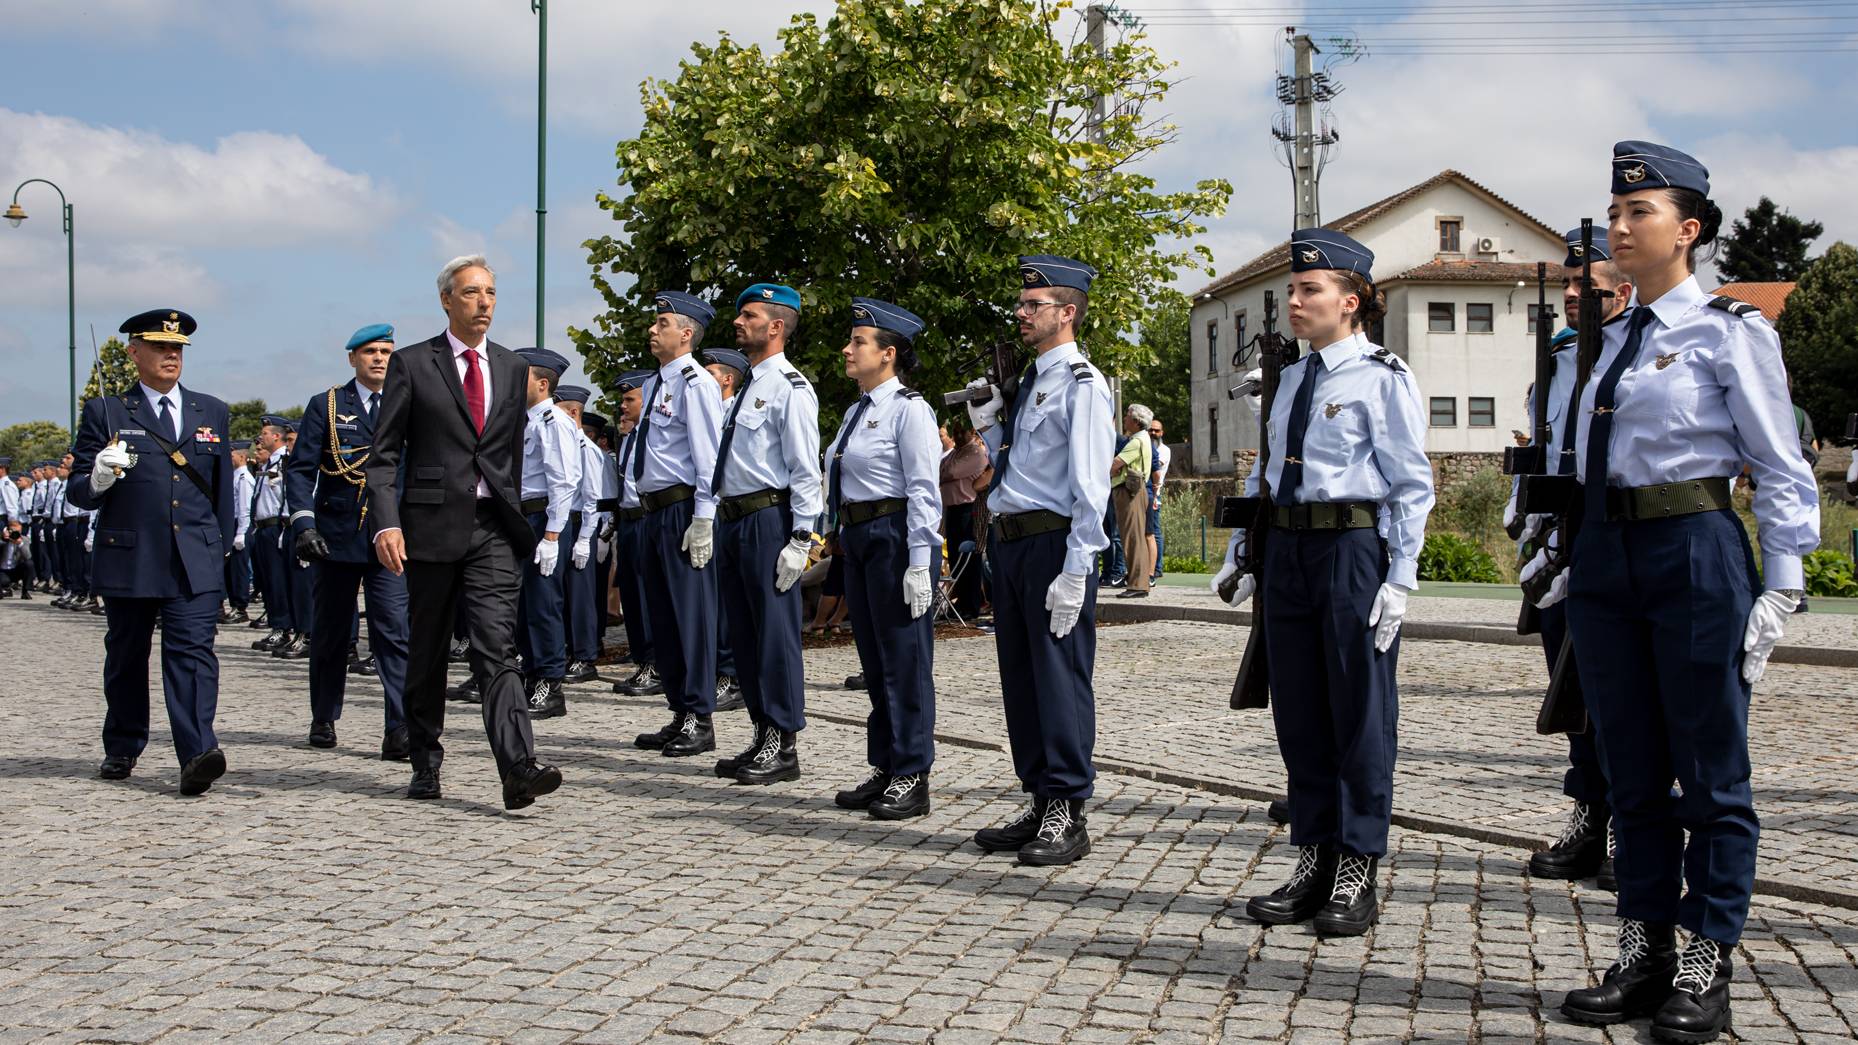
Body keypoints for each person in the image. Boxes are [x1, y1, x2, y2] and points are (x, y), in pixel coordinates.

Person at [1544, 143, 1820, 1042]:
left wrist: (1783, 581)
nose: (1620, 228)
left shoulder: (1731, 329)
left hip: (1694, 548)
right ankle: (1644, 946)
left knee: (1710, 771)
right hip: (1608, 556)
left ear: (1689, 230)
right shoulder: (1607, 339)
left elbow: (1779, 466)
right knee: (1629, 772)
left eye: (1640, 214)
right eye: (1615, 214)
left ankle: (1706, 957)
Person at [1211, 230, 1435, 936]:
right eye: (1294, 289)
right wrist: (1246, 543)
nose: (1295, 301)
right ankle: (1312, 854)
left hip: (1350, 548)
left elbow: (1411, 485)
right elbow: (1267, 470)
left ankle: (1357, 864)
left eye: (1310, 289)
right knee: (1301, 713)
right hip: (1289, 551)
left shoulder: (1381, 376)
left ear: (1352, 299)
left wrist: (1399, 576)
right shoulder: (1295, 380)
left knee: (1360, 715)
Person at [365, 254, 563, 811]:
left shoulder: (510, 367)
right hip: (427, 529)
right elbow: (383, 458)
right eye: (473, 293)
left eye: (492, 294)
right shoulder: (412, 364)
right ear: (447, 300)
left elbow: (509, 455)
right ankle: (425, 758)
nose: (484, 303)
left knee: (497, 648)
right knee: (426, 652)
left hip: (493, 530)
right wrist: (386, 522)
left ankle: (517, 766)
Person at [964, 255, 1115, 866]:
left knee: (1058, 677)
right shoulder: (1030, 382)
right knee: (1021, 679)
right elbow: (1019, 469)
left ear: (1067, 312)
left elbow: (1089, 486)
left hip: (1055, 543)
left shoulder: (1082, 382)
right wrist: (991, 429)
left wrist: (1079, 567)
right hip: (1015, 539)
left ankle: (1068, 809)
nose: (1022, 313)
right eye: (1022, 304)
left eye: (1034, 305)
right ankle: (1038, 795)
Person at [67, 309, 236, 794]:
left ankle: (198, 752)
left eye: (177, 349)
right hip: (132, 555)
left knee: (193, 654)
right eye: (161, 347)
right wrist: (98, 477)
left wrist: (219, 548)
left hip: (195, 556)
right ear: (133, 352)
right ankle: (123, 743)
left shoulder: (211, 410)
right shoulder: (108, 411)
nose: (171, 356)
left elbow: (221, 490)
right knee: (126, 654)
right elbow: (79, 491)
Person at [1512, 227, 1633, 888]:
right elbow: (1539, 444)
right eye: (1566, 283)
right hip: (1555, 546)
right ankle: (1588, 814)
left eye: (1588, 284)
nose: (1573, 295)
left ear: (1624, 290)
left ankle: (1626, 824)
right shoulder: (1555, 363)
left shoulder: (1633, 354)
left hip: (1611, 538)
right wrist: (1522, 510)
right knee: (1567, 692)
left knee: (1619, 696)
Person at [826, 298, 942, 819]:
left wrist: (921, 559)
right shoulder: (856, 412)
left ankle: (913, 773)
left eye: (858, 343)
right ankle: (887, 763)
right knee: (874, 660)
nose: (848, 350)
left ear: (888, 354)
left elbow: (923, 489)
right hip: (859, 537)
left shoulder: (909, 409)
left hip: (895, 535)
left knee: (903, 660)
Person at [709, 285, 825, 786]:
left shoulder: (790, 388)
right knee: (746, 634)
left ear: (775, 326)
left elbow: (803, 470)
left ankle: (783, 740)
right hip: (735, 519)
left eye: (749, 315)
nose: (739, 321)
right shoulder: (751, 385)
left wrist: (802, 539)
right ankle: (761, 732)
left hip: (768, 519)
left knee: (774, 637)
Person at [285, 323, 412, 760]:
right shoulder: (328, 405)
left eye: (387, 352)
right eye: (370, 352)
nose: (379, 359)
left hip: (390, 538)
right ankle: (323, 714)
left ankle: (399, 725)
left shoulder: (407, 404)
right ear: (353, 358)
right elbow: (301, 470)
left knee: (394, 632)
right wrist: (305, 524)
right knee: (331, 633)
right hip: (337, 538)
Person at [628, 292, 726, 758]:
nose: (653, 329)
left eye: (662, 322)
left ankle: (700, 716)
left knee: (691, 617)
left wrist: (703, 519)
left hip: (682, 509)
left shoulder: (696, 383)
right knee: (662, 618)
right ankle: (679, 710)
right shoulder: (654, 384)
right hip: (652, 510)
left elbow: (708, 457)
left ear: (686, 333)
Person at [512, 347, 582, 719]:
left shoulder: (554, 421)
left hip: (544, 520)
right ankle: (531, 673)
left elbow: (564, 481)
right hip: (525, 519)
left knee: (543, 604)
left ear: (542, 384)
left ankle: (550, 683)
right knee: (525, 606)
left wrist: (553, 535)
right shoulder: (524, 421)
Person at [698, 345, 751, 713]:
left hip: (728, 510)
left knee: (727, 601)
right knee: (715, 598)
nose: (705, 378)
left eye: (712, 372)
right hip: (710, 510)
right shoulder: (709, 409)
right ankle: (719, 670)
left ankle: (730, 675)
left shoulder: (734, 411)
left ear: (728, 379)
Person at [551, 385, 613, 685]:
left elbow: (593, 497)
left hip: (580, 525)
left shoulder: (586, 450)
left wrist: (589, 538)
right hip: (562, 523)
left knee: (581, 595)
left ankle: (585, 655)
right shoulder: (561, 443)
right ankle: (566, 650)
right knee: (561, 593)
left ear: (573, 413)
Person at [607, 370, 663, 698]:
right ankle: (642, 656)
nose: (623, 406)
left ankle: (654, 664)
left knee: (647, 594)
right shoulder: (630, 437)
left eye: (630, 399)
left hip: (646, 517)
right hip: (628, 520)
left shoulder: (653, 434)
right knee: (631, 593)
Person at [249, 417, 298, 653]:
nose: (261, 438)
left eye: (265, 433)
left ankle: (283, 627)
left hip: (278, 526)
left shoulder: (284, 463)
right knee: (268, 581)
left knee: (279, 582)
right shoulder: (269, 464)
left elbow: (285, 500)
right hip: (263, 528)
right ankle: (277, 625)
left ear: (276, 437)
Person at [939, 421, 989, 619]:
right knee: (954, 558)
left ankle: (972, 604)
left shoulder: (975, 452)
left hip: (968, 510)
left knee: (969, 559)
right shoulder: (954, 454)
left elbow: (949, 472)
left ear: (971, 432)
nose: (958, 435)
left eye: (962, 432)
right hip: (952, 510)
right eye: (956, 432)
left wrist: (944, 473)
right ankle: (961, 601)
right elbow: (940, 471)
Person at [1110, 404, 1155, 599]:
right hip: (1137, 490)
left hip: (1129, 492)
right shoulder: (1143, 439)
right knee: (1136, 537)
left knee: (1131, 538)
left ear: (1136, 421)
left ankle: (1137, 584)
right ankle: (1140, 582)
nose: (1125, 419)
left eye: (1128, 416)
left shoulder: (1136, 442)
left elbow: (1115, 465)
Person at [220, 440, 255, 624]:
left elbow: (245, 508)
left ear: (242, 456)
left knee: (239, 569)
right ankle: (234, 603)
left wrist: (241, 531)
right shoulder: (235, 476)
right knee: (231, 569)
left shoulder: (244, 478)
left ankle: (240, 607)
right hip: (233, 524)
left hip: (240, 525)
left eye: (232, 455)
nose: (229, 458)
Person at [1148, 418, 1170, 583]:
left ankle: (1157, 567)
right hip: (1146, 492)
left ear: (1161, 433)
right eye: (1151, 430)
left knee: (1154, 531)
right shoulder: (1148, 447)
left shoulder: (1164, 450)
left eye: (1156, 430)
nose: (1153, 433)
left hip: (1155, 493)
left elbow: (1153, 466)